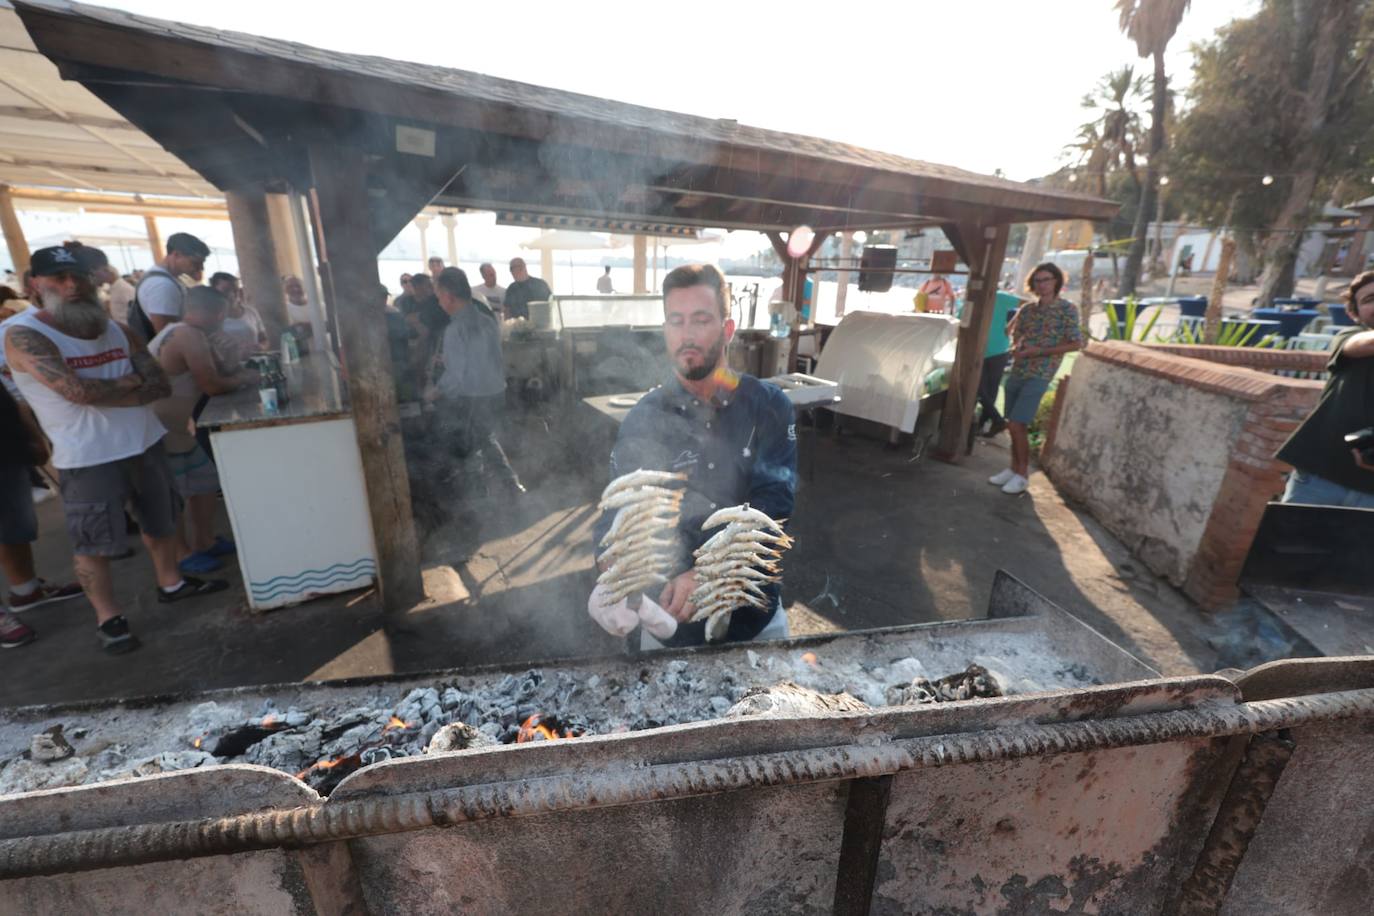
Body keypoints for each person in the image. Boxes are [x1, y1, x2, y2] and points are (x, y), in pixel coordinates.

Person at [2, 246, 228, 654]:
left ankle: (171, 583)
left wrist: (109, 391)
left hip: (145, 441)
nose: (71, 286)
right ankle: (109, 618)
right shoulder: (25, 334)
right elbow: (76, 392)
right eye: (58, 278)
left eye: (79, 277)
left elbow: (158, 384)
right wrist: (127, 386)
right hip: (87, 457)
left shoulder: (113, 328)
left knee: (161, 522)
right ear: (34, 284)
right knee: (94, 544)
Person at [589, 263, 797, 649]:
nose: (687, 334)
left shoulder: (770, 406)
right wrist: (609, 566)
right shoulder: (642, 418)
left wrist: (708, 574)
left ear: (727, 329)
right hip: (667, 623)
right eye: (676, 321)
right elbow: (617, 512)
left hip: (754, 622)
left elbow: (774, 503)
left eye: (701, 320)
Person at [149, 286, 258, 572]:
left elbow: (221, 372)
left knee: (205, 484)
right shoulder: (187, 335)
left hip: (181, 428)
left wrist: (231, 356)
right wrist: (248, 378)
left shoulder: (193, 334)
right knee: (176, 495)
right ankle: (182, 554)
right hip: (162, 428)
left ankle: (205, 541)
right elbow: (213, 385)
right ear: (219, 313)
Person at [1276, 271, 1374, 507]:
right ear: (1354, 313)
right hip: (1319, 479)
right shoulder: (1350, 337)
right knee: (1289, 544)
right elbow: (1365, 344)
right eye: (1369, 300)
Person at [1, 383, 84, 649]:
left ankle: (26, 591)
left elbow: (10, 395)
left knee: (15, 524)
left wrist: (32, 434)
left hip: (6, 446)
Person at [427, 267, 524, 495]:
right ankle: (512, 485)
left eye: (439, 296)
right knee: (486, 437)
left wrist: (434, 392)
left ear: (449, 297)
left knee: (468, 447)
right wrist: (449, 357)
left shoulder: (455, 329)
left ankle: (479, 497)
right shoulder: (487, 320)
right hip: (495, 392)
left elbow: (455, 376)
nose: (439, 302)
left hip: (472, 397)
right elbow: (489, 357)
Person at [988, 263, 1082, 496]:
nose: (1042, 284)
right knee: (1012, 423)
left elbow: (1075, 342)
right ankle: (1013, 468)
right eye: (1038, 280)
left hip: (1040, 373)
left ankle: (1022, 474)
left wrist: (1036, 351)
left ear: (1056, 281)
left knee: (1018, 423)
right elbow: (1012, 332)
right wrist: (1017, 346)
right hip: (1019, 369)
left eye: (1047, 279)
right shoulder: (1028, 309)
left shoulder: (1067, 309)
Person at [129, 232, 210, 339]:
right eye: (195, 262)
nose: (201, 268)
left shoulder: (163, 278)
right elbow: (167, 335)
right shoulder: (162, 285)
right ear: (176, 254)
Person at [970, 290, 1021, 438]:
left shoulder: (979, 296)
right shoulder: (1001, 297)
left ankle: (991, 421)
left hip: (988, 350)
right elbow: (1026, 305)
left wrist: (1014, 326)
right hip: (999, 350)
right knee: (988, 390)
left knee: (979, 389)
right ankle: (986, 423)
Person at [210, 272, 268, 353]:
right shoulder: (210, 317)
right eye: (226, 291)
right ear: (214, 293)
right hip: (229, 364)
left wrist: (261, 347)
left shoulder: (250, 312)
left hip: (256, 361)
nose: (232, 294)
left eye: (235, 290)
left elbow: (263, 339)